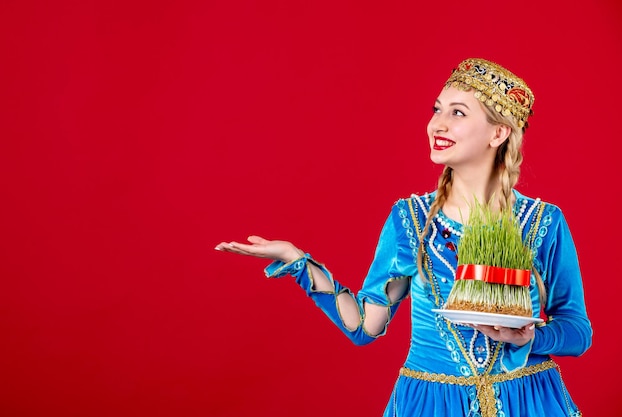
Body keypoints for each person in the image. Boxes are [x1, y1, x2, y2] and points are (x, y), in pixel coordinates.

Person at [215, 57, 592, 417]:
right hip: (432, 403)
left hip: (527, 400)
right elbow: (366, 326)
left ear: (499, 132)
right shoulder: (410, 222)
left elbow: (577, 331)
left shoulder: (542, 222)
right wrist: (298, 262)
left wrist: (529, 338)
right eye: (436, 109)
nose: (437, 124)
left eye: (457, 113)